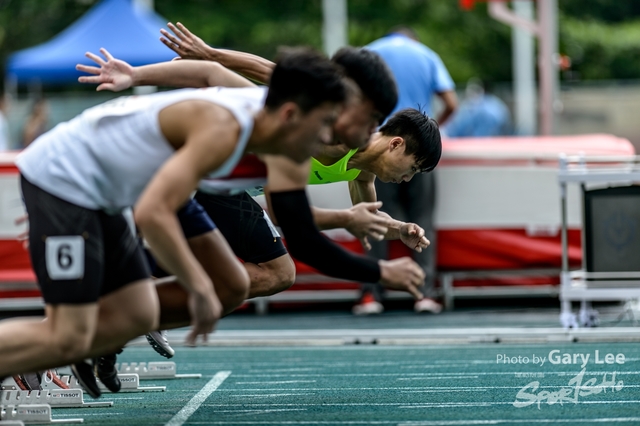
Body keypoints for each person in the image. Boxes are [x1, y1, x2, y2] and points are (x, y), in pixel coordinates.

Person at [0, 47, 349, 398]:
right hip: (72, 182)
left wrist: (136, 76)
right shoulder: (230, 125)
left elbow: (295, 223)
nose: (328, 139)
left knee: (145, 311)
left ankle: (87, 337)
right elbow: (153, 211)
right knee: (69, 335)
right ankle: (57, 343)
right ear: (291, 113)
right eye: (324, 126)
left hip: (126, 189)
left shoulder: (277, 135)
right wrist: (196, 286)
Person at [77, 32, 433, 358]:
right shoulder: (314, 120)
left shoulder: (350, 161)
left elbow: (356, 217)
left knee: (251, 279)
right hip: (199, 175)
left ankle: (131, 309)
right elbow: (242, 72)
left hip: (227, 186)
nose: (406, 180)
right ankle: (121, 312)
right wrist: (182, 62)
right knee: (260, 273)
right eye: (413, 169)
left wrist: (398, 229)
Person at [357, 26, 458, 315]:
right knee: (422, 218)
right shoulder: (426, 55)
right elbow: (452, 103)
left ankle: (370, 294)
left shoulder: (370, 53)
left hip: (374, 144)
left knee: (369, 217)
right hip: (417, 148)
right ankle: (424, 294)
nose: (405, 177)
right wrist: (430, 134)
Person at [443, 78, 512, 138]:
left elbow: (461, 127)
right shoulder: (499, 105)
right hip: (497, 143)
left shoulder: (475, 107)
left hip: (478, 144)